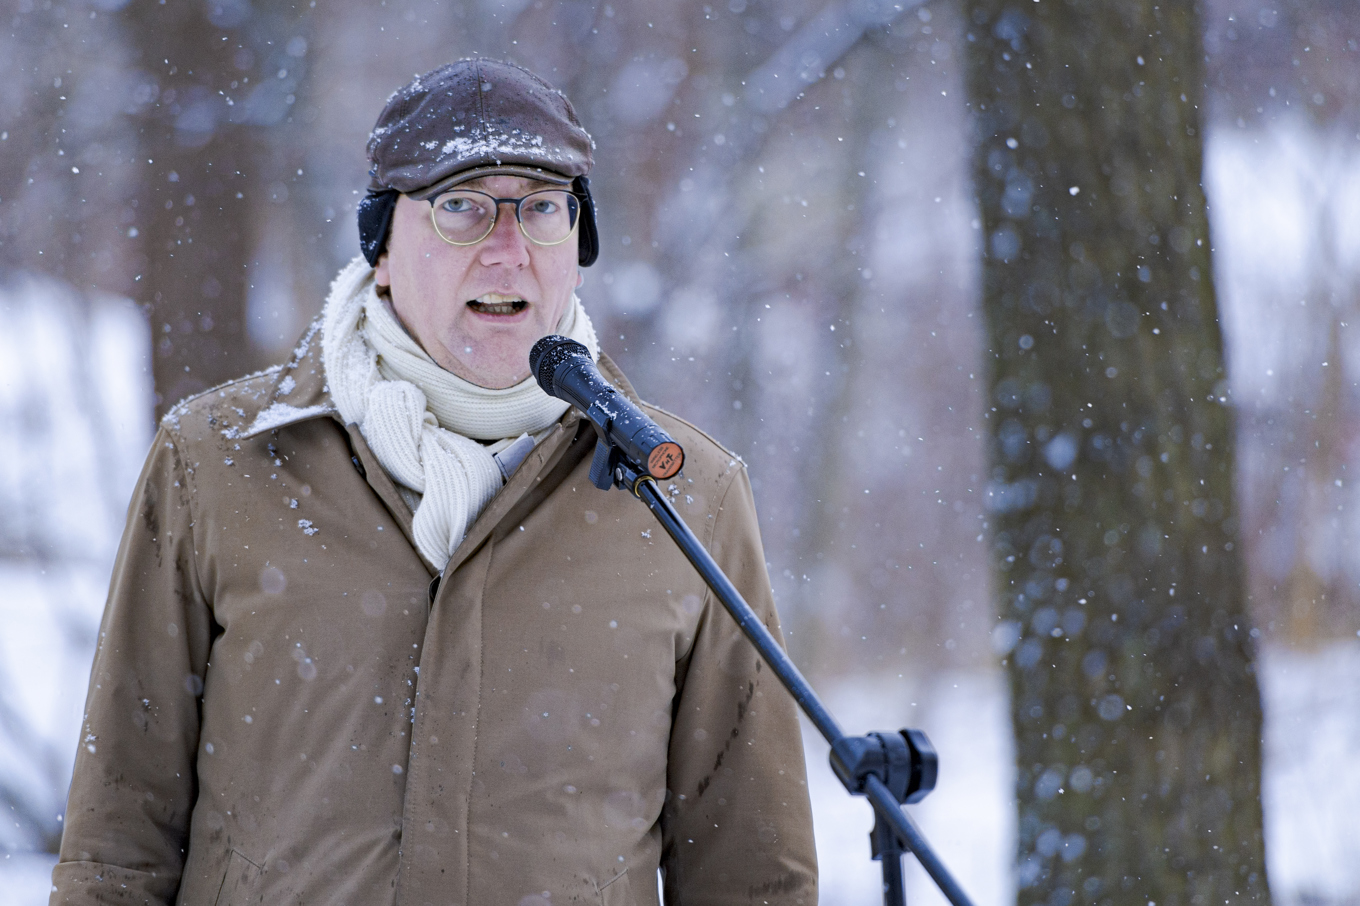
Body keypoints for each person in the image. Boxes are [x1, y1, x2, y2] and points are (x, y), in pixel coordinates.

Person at [51, 58, 817, 905]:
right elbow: (117, 843)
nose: (507, 249)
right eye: (460, 207)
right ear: (380, 249)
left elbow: (753, 874)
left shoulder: (681, 493)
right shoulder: (215, 464)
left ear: (577, 246)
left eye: (541, 209)